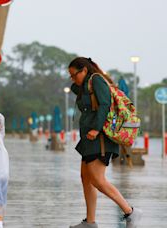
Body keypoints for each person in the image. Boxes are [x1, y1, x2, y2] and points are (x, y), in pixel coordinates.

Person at [68, 57, 142, 228]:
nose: (72, 78)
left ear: (84, 71)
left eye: (74, 74)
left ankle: (130, 211)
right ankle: (90, 221)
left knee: (98, 180)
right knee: (86, 178)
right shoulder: (85, 85)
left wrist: (96, 128)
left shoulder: (97, 81)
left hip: (99, 138)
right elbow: (75, 88)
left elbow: (105, 105)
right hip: (88, 139)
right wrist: (84, 74)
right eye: (70, 75)